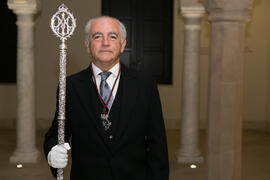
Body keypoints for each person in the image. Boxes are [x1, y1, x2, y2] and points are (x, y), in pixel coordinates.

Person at [43, 16, 169, 180]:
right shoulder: (70, 86)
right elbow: (57, 133)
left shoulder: (145, 86)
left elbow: (157, 146)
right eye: (97, 36)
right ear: (87, 45)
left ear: (122, 45)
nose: (105, 43)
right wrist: (52, 151)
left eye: (112, 36)